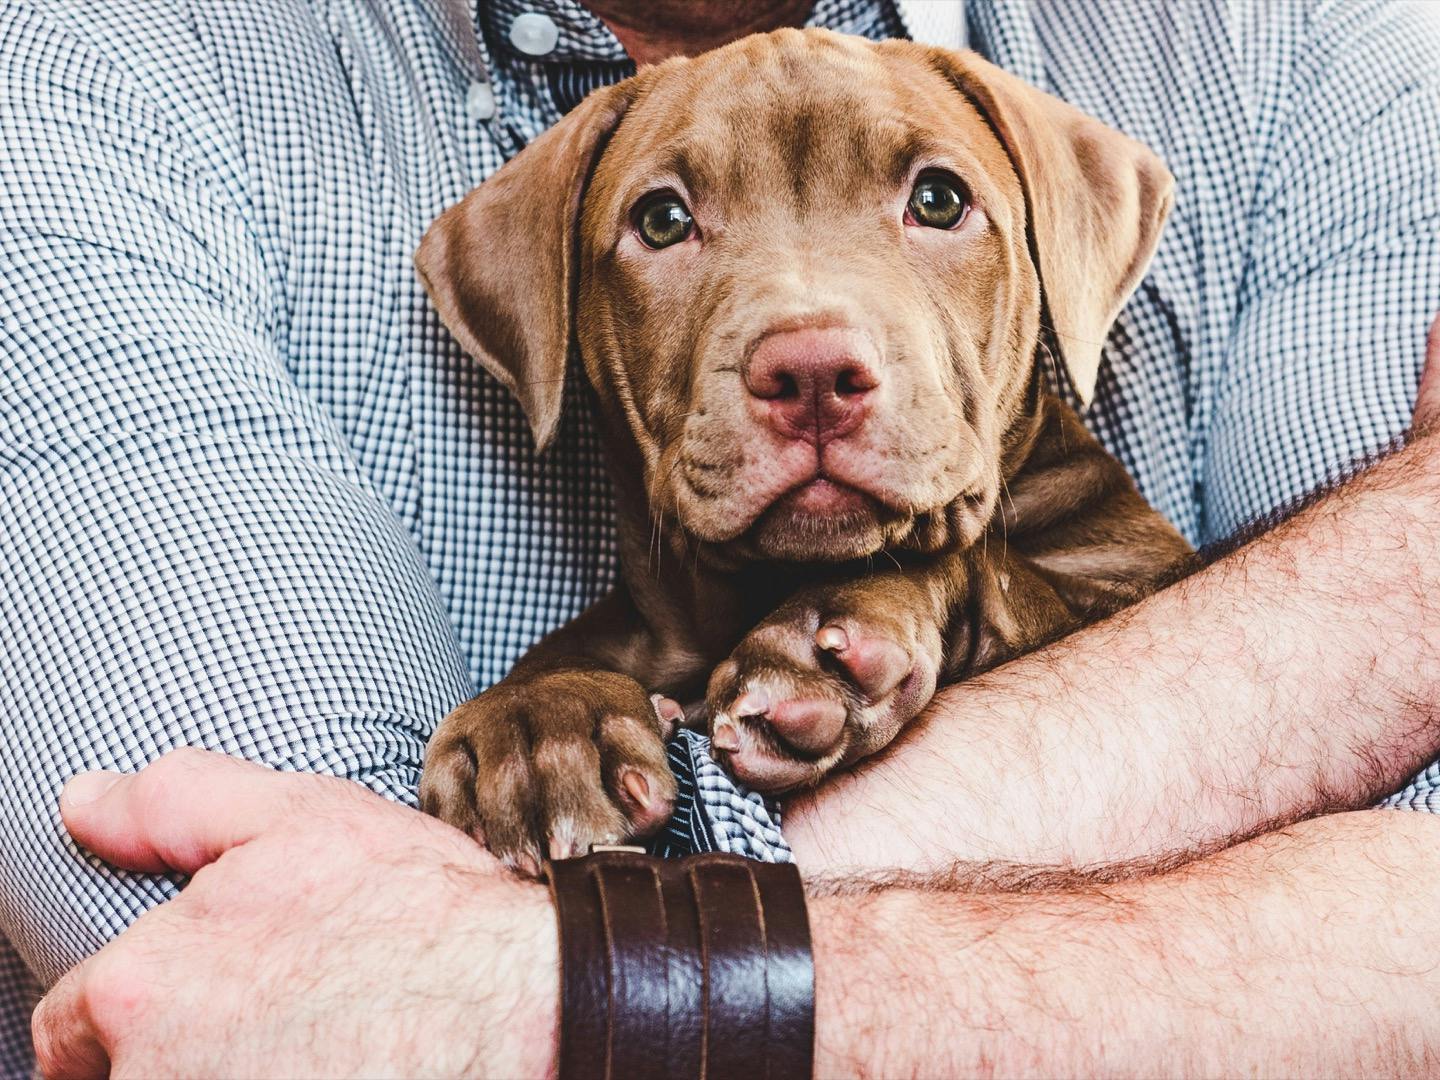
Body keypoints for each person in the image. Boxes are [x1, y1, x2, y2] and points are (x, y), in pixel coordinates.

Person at [3, 0, 1439, 1074]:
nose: (811, 342)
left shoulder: (1301, 39)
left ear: (1067, 243)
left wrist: (532, 980)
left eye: (934, 201)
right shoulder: (101, 73)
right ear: (547, 303)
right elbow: (270, 999)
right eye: (670, 220)